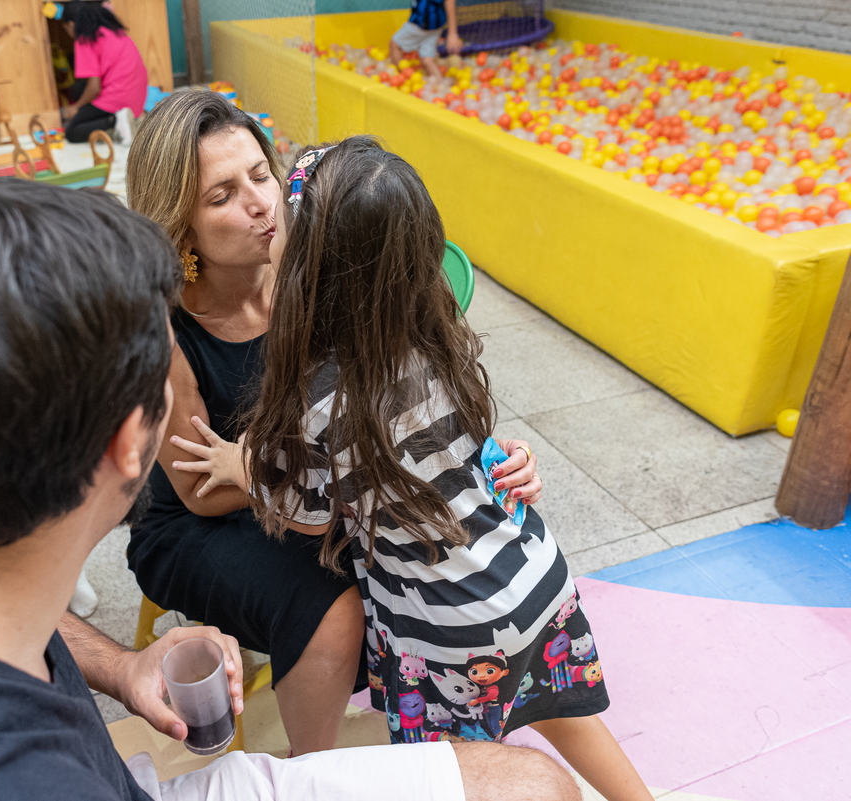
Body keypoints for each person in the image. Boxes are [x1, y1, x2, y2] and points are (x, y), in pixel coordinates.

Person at [0, 179, 581, 801]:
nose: (258, 207)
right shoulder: (7, 778)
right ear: (132, 440)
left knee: (535, 783)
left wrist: (119, 664)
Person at [171, 137, 654, 801]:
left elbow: (308, 519)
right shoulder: (437, 340)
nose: (265, 220)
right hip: (535, 580)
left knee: (455, 778)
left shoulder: (319, 399)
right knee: (569, 717)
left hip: (446, 630)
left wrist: (242, 461)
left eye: (280, 214)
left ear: (311, 266)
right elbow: (459, 452)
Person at [124, 89, 545, 757]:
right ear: (180, 225)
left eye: (260, 175)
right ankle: (311, 768)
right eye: (222, 195)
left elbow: (402, 389)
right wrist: (355, 480)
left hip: (308, 486)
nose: (260, 203)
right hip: (204, 520)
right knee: (334, 602)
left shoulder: (305, 268)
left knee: (450, 545)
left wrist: (489, 454)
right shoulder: (165, 328)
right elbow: (203, 487)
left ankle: (454, 716)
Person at [49, 0, 147, 143]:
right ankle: (125, 121)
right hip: (137, 98)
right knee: (86, 110)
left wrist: (76, 107)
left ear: (70, 25)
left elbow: (94, 87)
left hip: (118, 98)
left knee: (72, 131)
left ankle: (115, 121)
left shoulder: (85, 38)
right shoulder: (113, 31)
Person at [391, 0, 461, 78]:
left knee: (395, 43)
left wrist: (452, 33)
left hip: (419, 25)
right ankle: (440, 83)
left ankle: (399, 76)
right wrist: (452, 33)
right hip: (435, 27)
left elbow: (450, 3)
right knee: (428, 60)